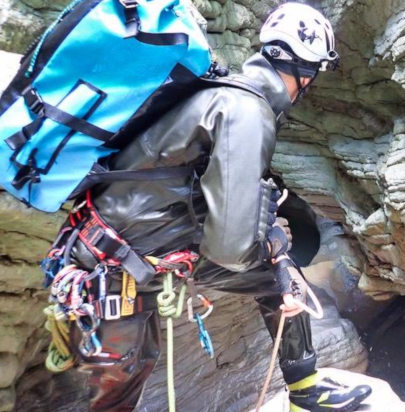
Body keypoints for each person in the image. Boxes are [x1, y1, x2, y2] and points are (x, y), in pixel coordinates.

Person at [51, 3, 372, 411]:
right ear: (304, 73)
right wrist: (270, 243)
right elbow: (231, 249)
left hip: (132, 252)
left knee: (276, 277)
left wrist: (271, 245)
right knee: (120, 389)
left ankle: (306, 390)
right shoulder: (245, 110)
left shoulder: (225, 95)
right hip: (117, 266)